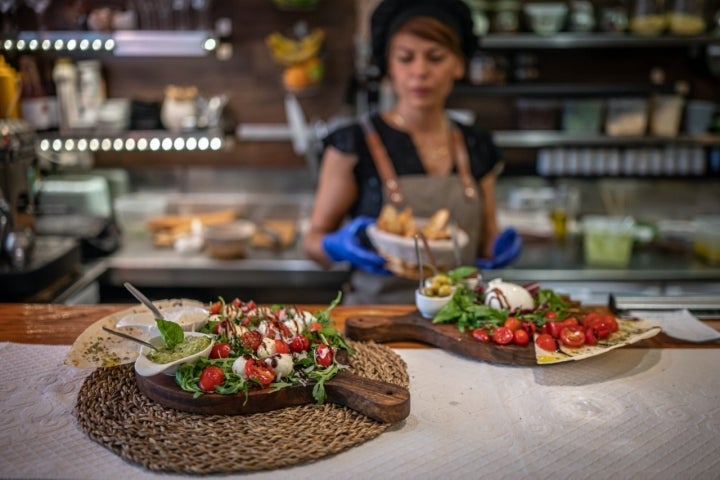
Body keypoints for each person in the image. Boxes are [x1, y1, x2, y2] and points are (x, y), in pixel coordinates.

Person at [303, 0, 521, 304]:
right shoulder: (353, 144)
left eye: (435, 57)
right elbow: (312, 243)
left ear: (458, 64)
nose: (420, 71)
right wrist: (333, 245)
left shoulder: (477, 144)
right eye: (405, 58)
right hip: (376, 324)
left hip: (459, 321)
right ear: (389, 67)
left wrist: (500, 248)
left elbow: (486, 241)